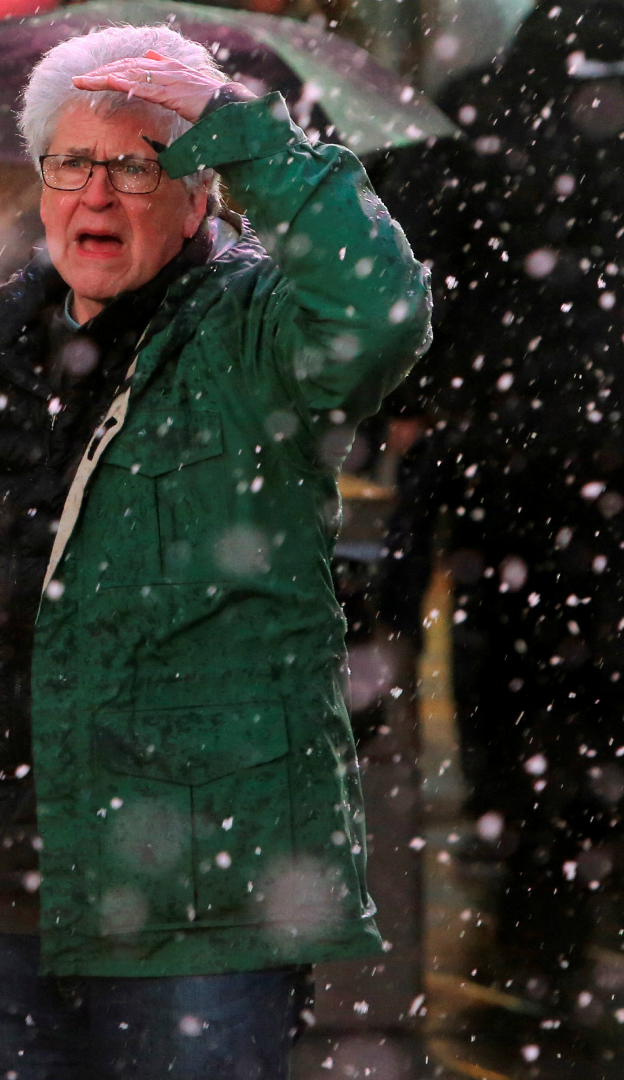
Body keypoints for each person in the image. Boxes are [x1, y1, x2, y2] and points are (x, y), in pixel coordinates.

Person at [0, 25, 431, 1079]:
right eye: (71, 163)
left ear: (200, 194)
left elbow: (376, 311)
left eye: (137, 166)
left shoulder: (251, 335)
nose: (95, 194)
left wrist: (248, 138)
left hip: (196, 912)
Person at [377, 0, 624, 1030]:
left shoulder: (473, 112)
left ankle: (524, 861)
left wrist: (415, 408)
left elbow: (410, 271)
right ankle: (580, 846)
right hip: (606, 457)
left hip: (494, 453)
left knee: (498, 658)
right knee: (596, 663)